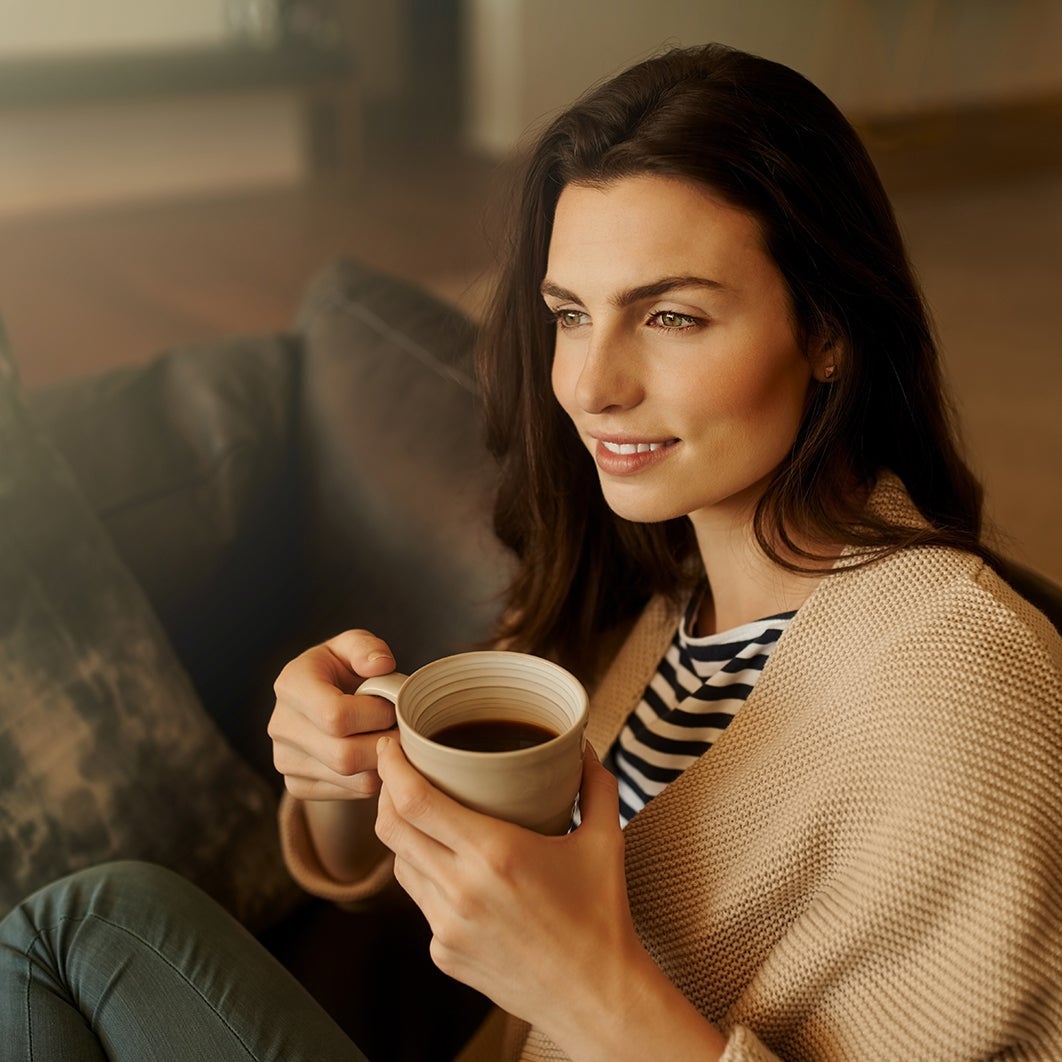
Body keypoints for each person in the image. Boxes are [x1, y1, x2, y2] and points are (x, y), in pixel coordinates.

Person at [2, 41, 1059, 1062]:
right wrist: (335, 776)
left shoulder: (957, 682)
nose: (593, 385)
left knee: (79, 924)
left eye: (674, 316)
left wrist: (582, 986)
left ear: (829, 329)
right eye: (569, 314)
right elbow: (396, 868)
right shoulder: (655, 596)